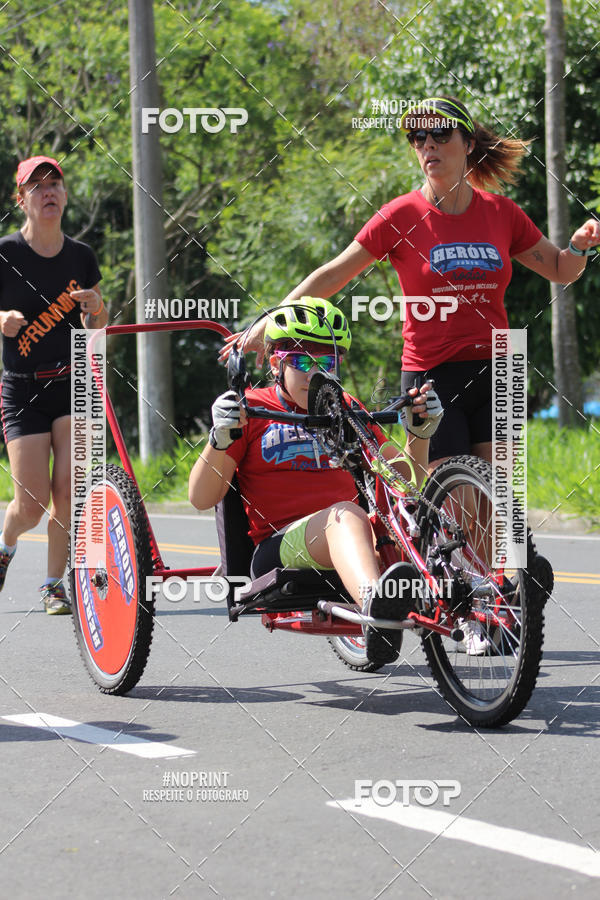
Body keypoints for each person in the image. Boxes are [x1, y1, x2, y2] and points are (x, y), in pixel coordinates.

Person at [222, 96, 599, 473]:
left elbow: (561, 269)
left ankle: (501, 532)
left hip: (500, 367)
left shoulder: (502, 213)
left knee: (502, 511)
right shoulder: (400, 215)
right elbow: (334, 274)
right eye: (417, 137)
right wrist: (267, 323)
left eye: (439, 133)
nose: (427, 144)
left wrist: (578, 247)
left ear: (468, 144)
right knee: (455, 501)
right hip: (432, 372)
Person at [190, 297, 443, 665]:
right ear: (276, 364)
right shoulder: (250, 409)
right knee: (344, 515)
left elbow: (403, 482)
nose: (315, 373)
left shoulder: (344, 405)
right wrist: (219, 439)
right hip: (279, 549)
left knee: (416, 513)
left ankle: (490, 591)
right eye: (302, 362)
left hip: (357, 536)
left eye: (327, 362)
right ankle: (378, 611)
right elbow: (200, 497)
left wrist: (420, 434)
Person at [0, 155, 108, 613]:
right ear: (21, 199)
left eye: (55, 184)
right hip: (22, 388)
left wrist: (98, 307)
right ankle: (6, 546)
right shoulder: (5, 253)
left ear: (64, 196)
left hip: (71, 384)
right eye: (37, 186)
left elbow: (99, 324)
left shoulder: (82, 256)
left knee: (69, 492)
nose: (48, 192)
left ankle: (52, 584)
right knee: (30, 503)